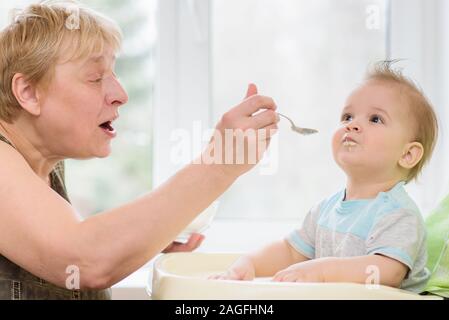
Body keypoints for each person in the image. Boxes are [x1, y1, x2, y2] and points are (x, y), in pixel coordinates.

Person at [0, 1, 279, 300]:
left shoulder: (43, 168)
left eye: (114, 74)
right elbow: (84, 258)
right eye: (95, 78)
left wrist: (140, 242)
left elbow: (80, 250)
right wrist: (219, 164)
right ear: (28, 92)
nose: (121, 94)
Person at [212, 62, 439, 293]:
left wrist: (320, 272)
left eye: (375, 119)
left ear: (408, 154)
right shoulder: (325, 210)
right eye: (347, 116)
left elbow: (386, 272)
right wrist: (249, 263)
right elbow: (290, 252)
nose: (353, 125)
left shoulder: (398, 214)